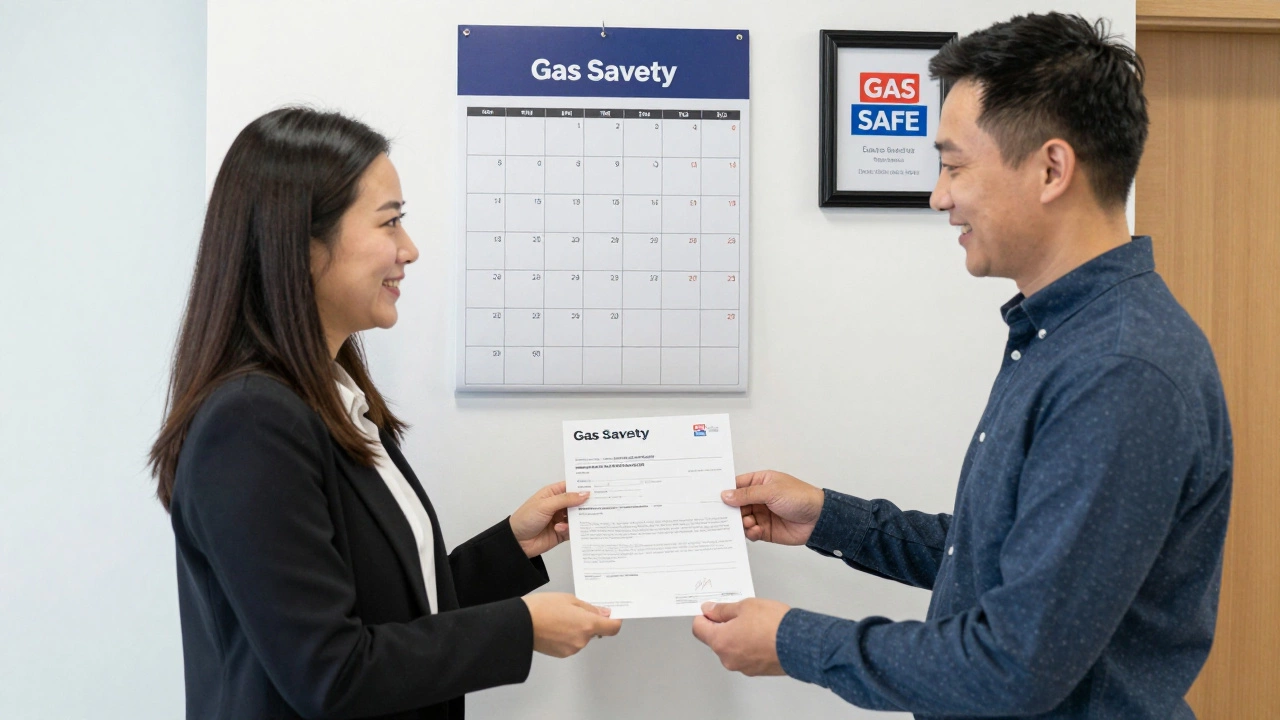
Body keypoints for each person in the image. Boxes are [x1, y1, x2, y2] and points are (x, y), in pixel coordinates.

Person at [692, 13, 1232, 719]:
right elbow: (1000, 556)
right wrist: (830, 519)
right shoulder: (1063, 335)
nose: (938, 196)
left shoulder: (1119, 368)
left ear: (1050, 168)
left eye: (953, 165)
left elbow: (1013, 664)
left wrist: (793, 642)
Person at [149, 107, 621, 720]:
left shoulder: (332, 397)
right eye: (390, 223)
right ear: (303, 242)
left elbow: (393, 607)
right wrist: (520, 628)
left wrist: (514, 546)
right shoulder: (250, 424)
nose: (411, 249)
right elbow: (332, 671)